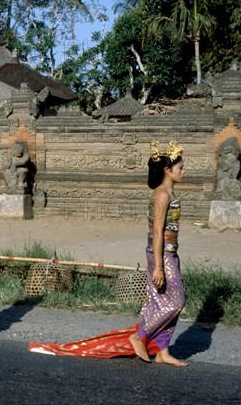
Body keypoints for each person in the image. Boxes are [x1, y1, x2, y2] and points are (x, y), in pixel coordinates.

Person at [29, 140, 188, 366]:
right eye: (180, 168)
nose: (184, 171)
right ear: (167, 170)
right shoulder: (161, 195)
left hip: (169, 253)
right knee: (176, 301)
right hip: (161, 255)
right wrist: (160, 266)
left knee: (163, 301)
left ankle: (162, 350)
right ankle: (139, 335)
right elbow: (157, 231)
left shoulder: (168, 193)